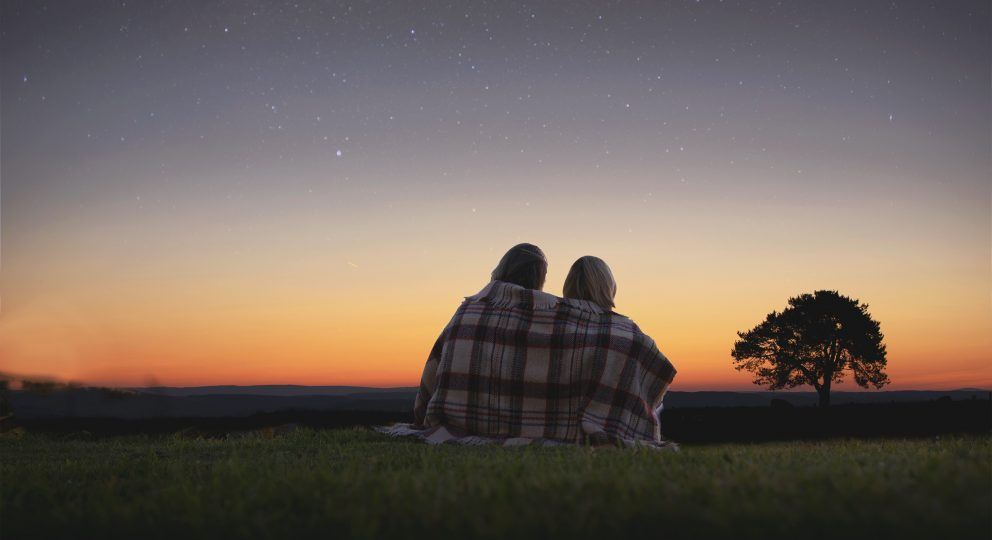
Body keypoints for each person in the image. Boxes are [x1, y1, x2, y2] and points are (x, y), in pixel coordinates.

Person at [387, 245, 677, 448]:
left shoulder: (468, 312)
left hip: (463, 422)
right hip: (575, 424)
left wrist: (424, 415)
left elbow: (432, 373)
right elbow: (655, 376)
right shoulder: (622, 332)